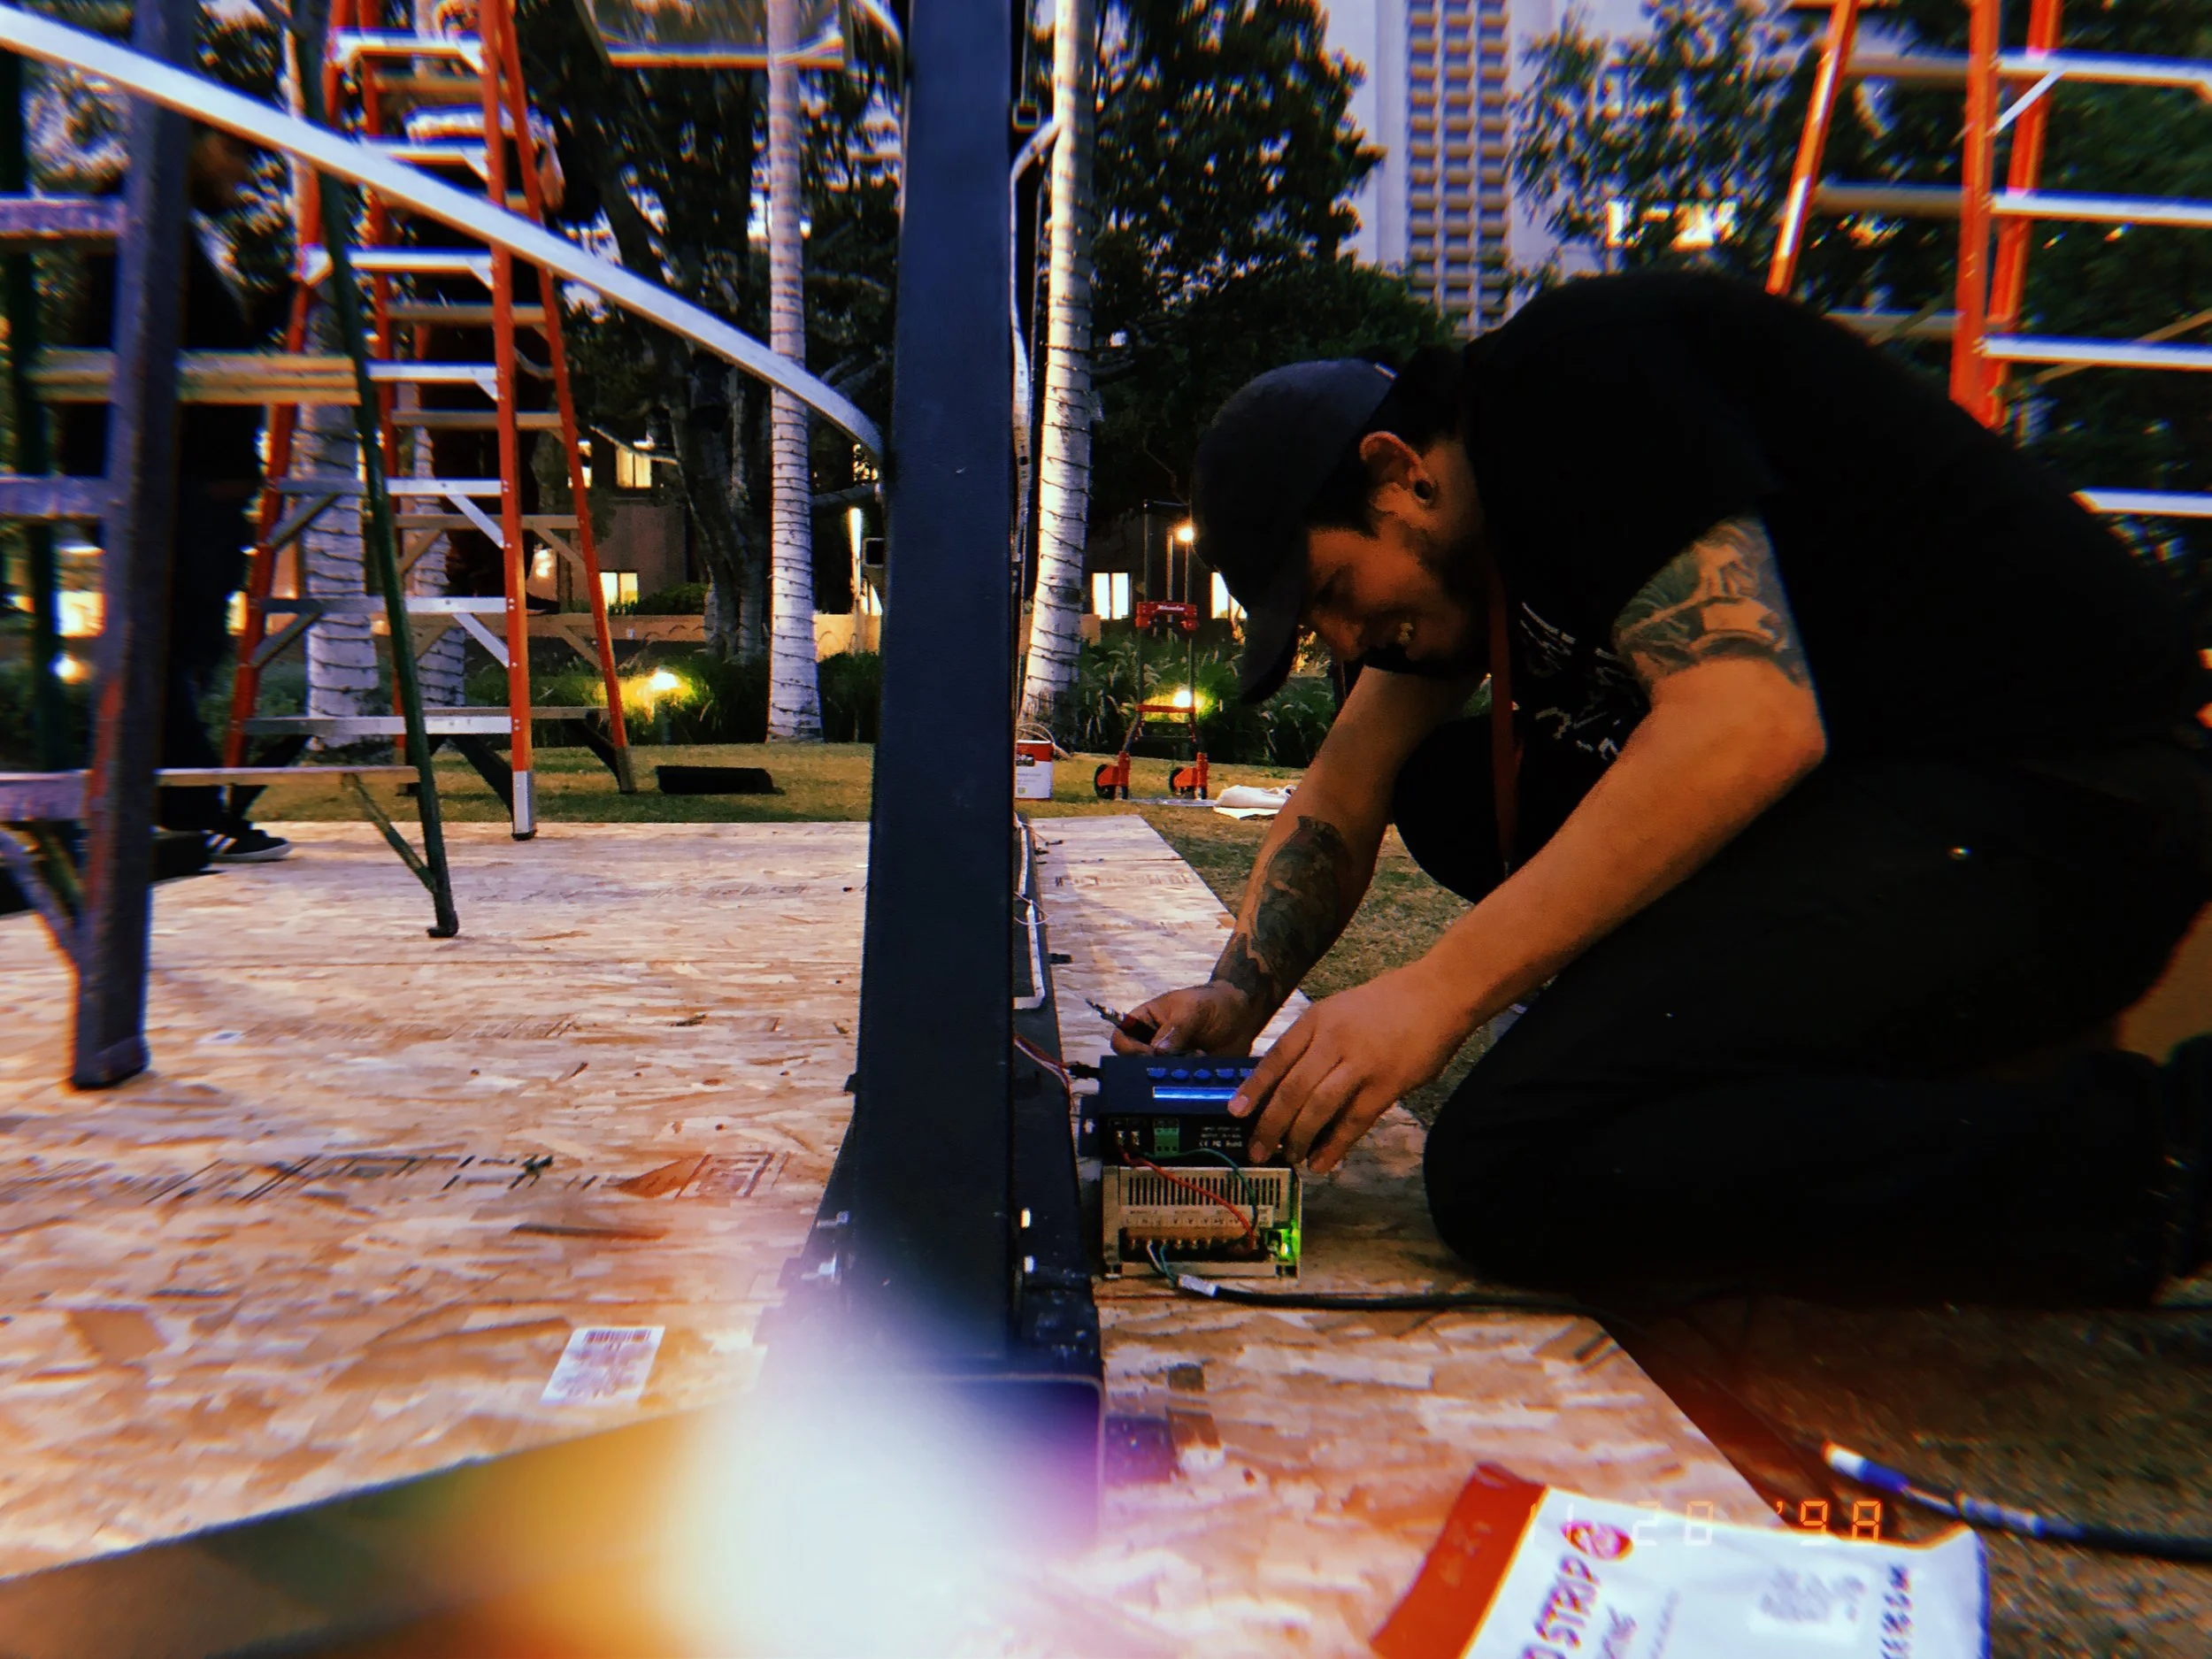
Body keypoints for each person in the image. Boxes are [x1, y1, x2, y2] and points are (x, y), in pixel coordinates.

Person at [1118, 271, 2212, 1306]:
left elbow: (1748, 723)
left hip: (2069, 801)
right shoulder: (1464, 548)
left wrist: (1438, 991)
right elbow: (1344, 785)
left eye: (1334, 591)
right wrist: (1238, 996)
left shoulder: (1571, 385)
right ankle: (1710, 1057)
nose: (1351, 638)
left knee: (1513, 1165)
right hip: (1891, 804)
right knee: (1449, 790)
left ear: (1400, 471)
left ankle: (2157, 1157)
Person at [61, 125, 289, 861]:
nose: (241, 175)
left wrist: (278, 305)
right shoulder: (140, 216)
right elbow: (153, 343)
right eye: (234, 156)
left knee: (181, 643)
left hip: (186, 476)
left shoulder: (173, 228)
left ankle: (161, 806)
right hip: (164, 475)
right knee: (166, 644)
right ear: (191, 141)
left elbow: (205, 341)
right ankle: (185, 810)